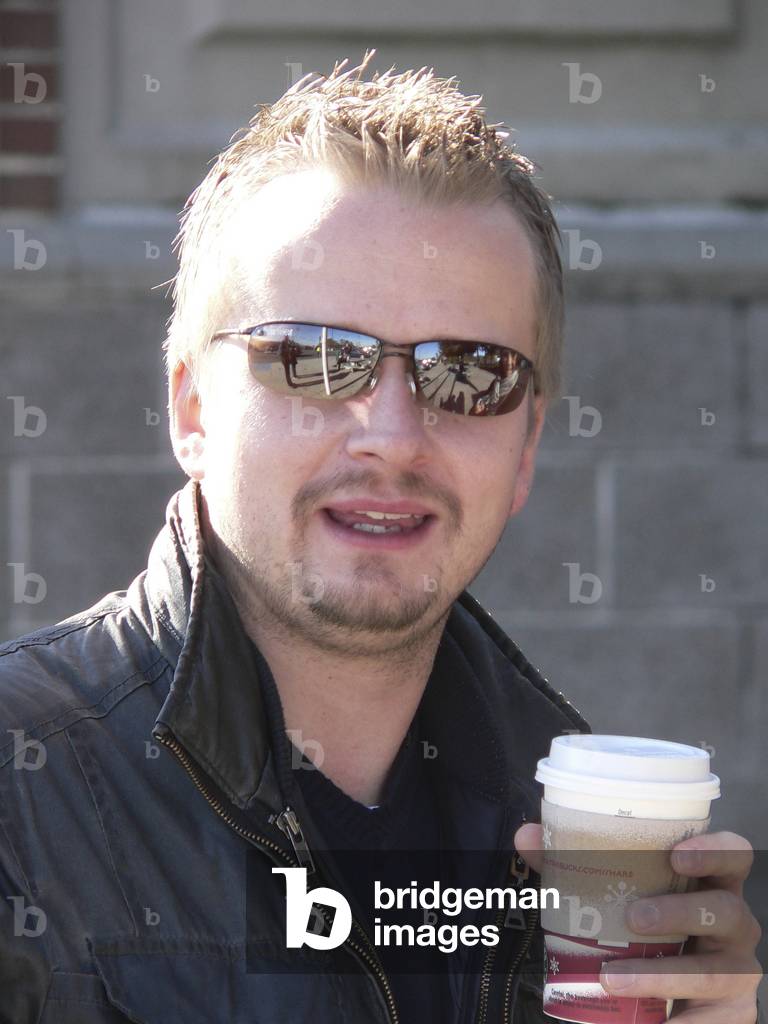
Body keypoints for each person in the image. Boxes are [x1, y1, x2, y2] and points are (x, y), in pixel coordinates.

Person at [0, 52, 762, 1024]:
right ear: (192, 408)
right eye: (316, 358)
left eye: (470, 374)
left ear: (526, 444)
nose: (395, 437)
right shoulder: (21, 803)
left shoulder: (560, 822)